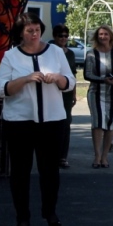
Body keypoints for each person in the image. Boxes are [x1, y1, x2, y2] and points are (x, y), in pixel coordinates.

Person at [0, 12, 76, 226]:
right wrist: (26, 79)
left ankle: (50, 212)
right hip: (20, 121)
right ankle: (22, 218)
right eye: (29, 31)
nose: (34, 34)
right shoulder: (11, 56)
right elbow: (1, 88)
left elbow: (70, 82)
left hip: (52, 120)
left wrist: (58, 79)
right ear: (21, 33)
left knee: (50, 171)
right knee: (20, 172)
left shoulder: (56, 52)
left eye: (37, 30)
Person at [84, 25, 113, 169]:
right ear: (97, 37)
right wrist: (103, 79)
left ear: (111, 36)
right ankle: (97, 156)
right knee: (97, 123)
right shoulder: (91, 53)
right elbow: (87, 74)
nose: (103, 37)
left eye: (106, 34)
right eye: (100, 34)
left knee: (111, 123)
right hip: (96, 91)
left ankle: (105, 157)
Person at [49, 24, 76, 169]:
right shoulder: (49, 51)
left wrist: (74, 93)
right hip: (52, 91)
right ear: (55, 37)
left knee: (66, 124)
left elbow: (72, 75)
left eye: (66, 36)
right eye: (61, 36)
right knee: (51, 123)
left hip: (66, 93)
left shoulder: (70, 53)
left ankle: (62, 157)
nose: (64, 39)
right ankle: (51, 154)